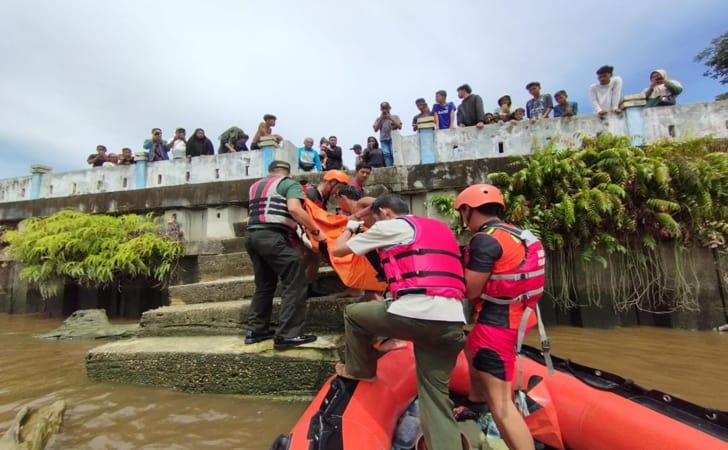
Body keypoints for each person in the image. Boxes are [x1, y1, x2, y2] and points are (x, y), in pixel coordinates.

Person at [330, 193, 467, 450]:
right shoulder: (439, 228)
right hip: (452, 322)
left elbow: (337, 250)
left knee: (354, 315)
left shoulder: (389, 226)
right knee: (436, 398)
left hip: (415, 315)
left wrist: (349, 226)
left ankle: (361, 370)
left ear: (385, 213)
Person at [454, 184, 546, 450]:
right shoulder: (517, 234)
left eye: (463, 212)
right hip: (520, 316)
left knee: (502, 406)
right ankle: (476, 399)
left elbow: (471, 289)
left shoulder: (485, 240)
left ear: (468, 210)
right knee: (470, 347)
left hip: (496, 326)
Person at [244, 160, 327, 350]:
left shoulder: (255, 186)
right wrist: (315, 231)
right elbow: (294, 209)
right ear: (288, 174)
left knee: (264, 284)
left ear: (270, 171)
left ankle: (256, 330)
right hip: (272, 235)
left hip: (251, 236)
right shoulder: (289, 184)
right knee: (296, 279)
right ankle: (288, 335)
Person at [372, 101, 402, 167]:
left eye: (386, 108)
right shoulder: (378, 119)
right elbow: (375, 129)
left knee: (393, 152)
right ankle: (389, 167)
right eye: (383, 109)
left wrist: (390, 118)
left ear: (389, 108)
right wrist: (381, 119)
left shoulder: (395, 117)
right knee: (386, 154)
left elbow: (399, 127)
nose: (385, 110)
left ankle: (396, 165)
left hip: (393, 138)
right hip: (383, 139)